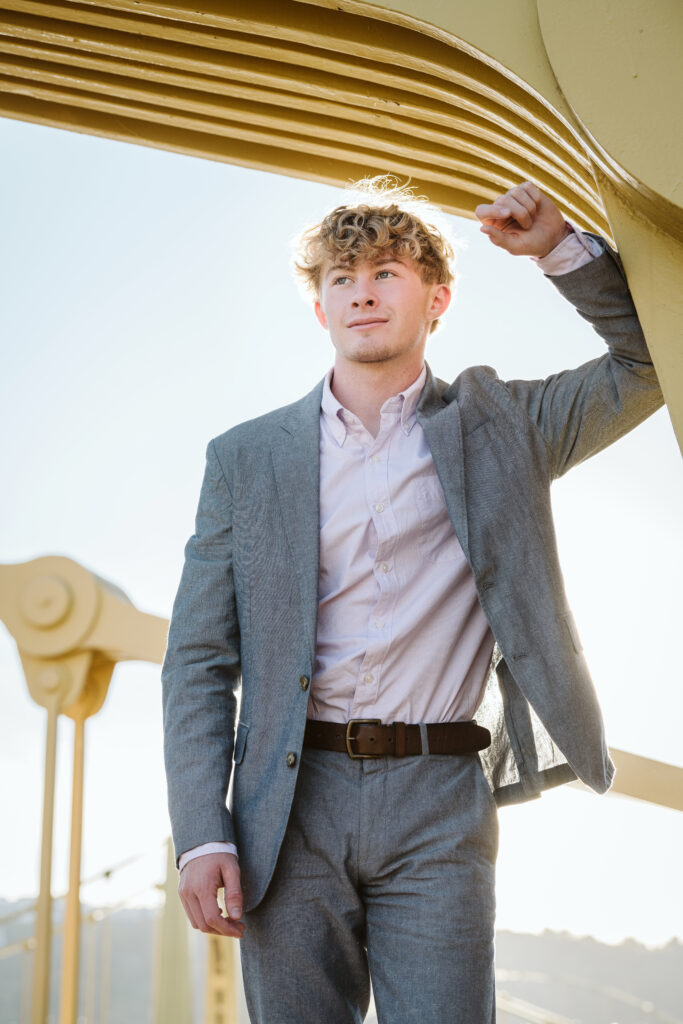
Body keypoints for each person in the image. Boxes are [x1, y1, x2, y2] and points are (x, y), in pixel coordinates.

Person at [161, 179, 663, 1023]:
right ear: (319, 308)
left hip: (438, 798)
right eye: (339, 277)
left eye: (386, 271)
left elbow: (649, 363)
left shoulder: (505, 425)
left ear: (438, 297)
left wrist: (557, 250)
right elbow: (199, 659)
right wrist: (202, 832)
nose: (360, 290)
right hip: (286, 804)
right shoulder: (245, 459)